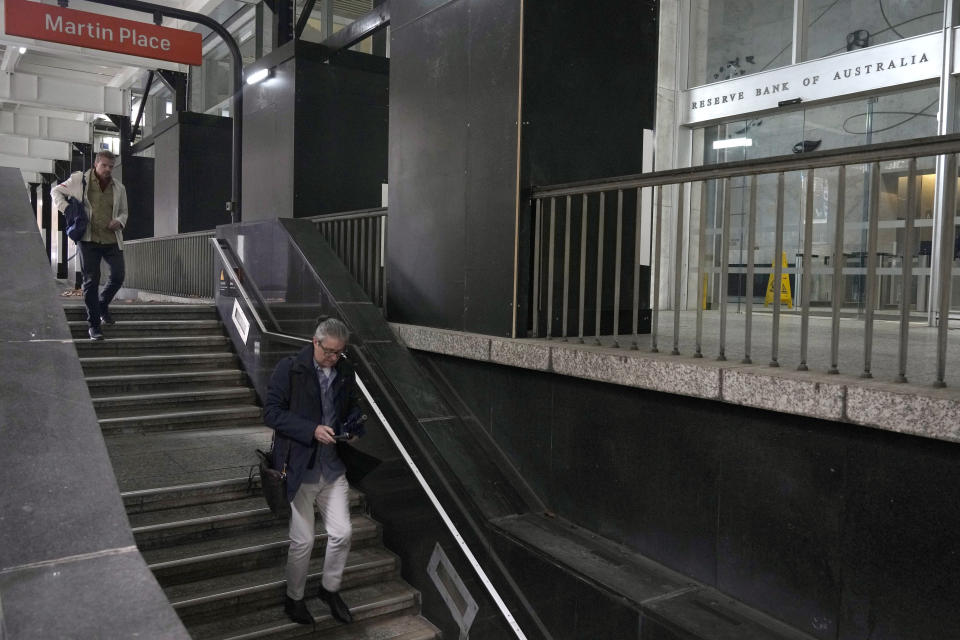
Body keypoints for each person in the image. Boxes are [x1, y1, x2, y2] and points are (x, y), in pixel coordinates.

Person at [263, 317, 363, 626]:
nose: (334, 358)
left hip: (332, 468)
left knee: (342, 533)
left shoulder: (345, 370)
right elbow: (272, 413)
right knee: (303, 540)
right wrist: (311, 430)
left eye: (339, 352)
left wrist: (354, 427)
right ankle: (294, 599)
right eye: (329, 351)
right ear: (314, 342)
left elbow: (353, 409)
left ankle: (329, 589)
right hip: (299, 468)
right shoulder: (290, 368)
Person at [52, 150, 129, 341]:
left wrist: (119, 221)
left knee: (118, 276)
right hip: (88, 240)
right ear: (96, 164)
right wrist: (66, 209)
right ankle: (94, 325)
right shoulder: (79, 180)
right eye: (104, 165)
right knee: (91, 282)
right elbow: (56, 191)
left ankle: (102, 305)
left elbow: (124, 212)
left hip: (111, 240)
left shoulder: (119, 187)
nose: (108, 169)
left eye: (111, 166)